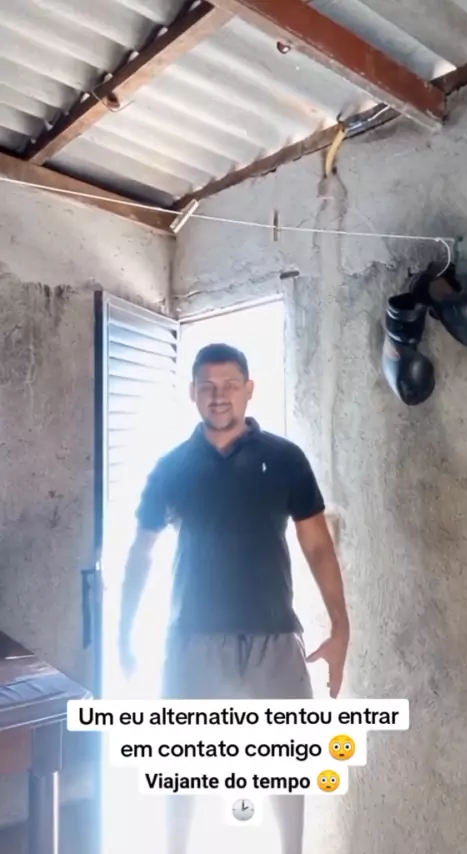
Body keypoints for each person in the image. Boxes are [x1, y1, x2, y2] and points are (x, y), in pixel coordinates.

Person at [119, 342, 349, 854]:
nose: (218, 396)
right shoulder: (171, 468)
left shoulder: (286, 460)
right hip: (193, 642)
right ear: (192, 393)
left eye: (229, 386)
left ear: (249, 390)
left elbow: (317, 545)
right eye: (208, 387)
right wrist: (124, 633)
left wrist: (341, 629)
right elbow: (141, 553)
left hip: (275, 641)